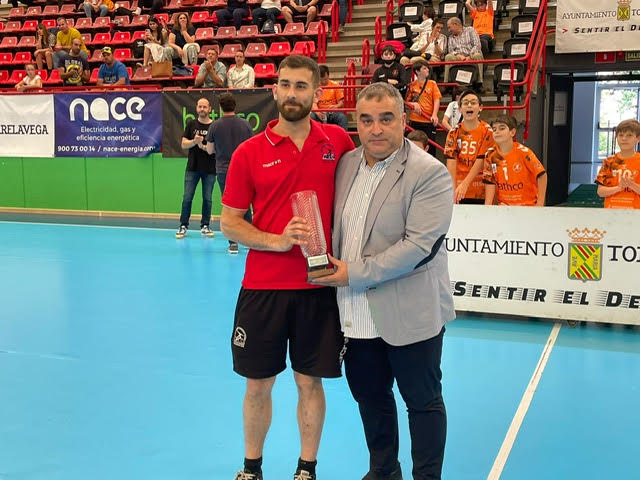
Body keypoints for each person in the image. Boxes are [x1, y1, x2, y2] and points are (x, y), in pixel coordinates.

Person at [219, 55, 354, 480]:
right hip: (264, 288)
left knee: (309, 383)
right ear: (274, 90)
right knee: (258, 384)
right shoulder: (249, 152)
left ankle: (306, 468)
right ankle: (251, 468)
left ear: (317, 91)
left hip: (320, 287)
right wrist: (276, 241)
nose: (291, 93)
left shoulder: (338, 142)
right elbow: (230, 222)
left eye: (301, 86)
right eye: (284, 85)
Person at [312, 81, 455, 480]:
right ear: (356, 122)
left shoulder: (430, 174)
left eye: (386, 119)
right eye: (367, 120)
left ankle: (427, 477)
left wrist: (351, 274)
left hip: (410, 312)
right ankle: (384, 470)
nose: (376, 129)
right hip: (354, 313)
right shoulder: (346, 165)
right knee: (371, 399)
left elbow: (418, 247)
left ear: (404, 122)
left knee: (422, 402)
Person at [206, 92, 254, 253]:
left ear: (220, 107)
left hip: (223, 170)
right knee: (246, 204)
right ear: (235, 106)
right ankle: (249, 239)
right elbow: (251, 148)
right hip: (244, 170)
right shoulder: (245, 124)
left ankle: (233, 243)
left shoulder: (215, 125)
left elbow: (210, 150)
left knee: (230, 205)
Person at [483, 115, 547, 206]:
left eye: (502, 128)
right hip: (504, 206)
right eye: (494, 129)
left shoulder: (524, 153)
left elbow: (542, 176)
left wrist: (540, 203)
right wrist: (488, 206)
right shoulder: (490, 155)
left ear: (512, 132)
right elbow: (489, 181)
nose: (497, 132)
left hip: (527, 206)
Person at [176, 97, 216, 239]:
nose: (202, 109)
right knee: (187, 197)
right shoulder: (191, 124)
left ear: (210, 109)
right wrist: (194, 141)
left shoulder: (214, 126)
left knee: (208, 198)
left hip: (210, 169)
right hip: (192, 168)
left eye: (205, 107)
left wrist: (203, 146)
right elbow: (183, 144)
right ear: (196, 108)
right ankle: (183, 226)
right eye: (200, 106)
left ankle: (205, 225)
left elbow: (216, 149)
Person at [444, 89, 494, 204]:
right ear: (460, 109)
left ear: (480, 107)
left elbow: (481, 160)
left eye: (473, 102)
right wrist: (452, 191)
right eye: (465, 103)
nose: (469, 105)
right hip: (459, 190)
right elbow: (451, 162)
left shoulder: (487, 131)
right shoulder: (454, 132)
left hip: (481, 189)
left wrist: (465, 184)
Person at [595, 119, 640, 209]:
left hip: (636, 214)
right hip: (611, 212)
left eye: (629, 135)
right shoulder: (609, 162)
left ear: (638, 139)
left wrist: (631, 185)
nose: (624, 138)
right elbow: (600, 192)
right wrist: (619, 188)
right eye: (621, 135)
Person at [405, 59, 441, 155]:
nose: (427, 70)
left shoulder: (432, 84)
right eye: (424, 68)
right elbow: (407, 103)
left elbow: (437, 99)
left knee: (431, 147)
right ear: (417, 71)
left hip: (428, 119)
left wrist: (434, 115)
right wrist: (413, 104)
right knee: (414, 146)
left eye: (427, 68)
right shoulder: (412, 86)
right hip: (415, 120)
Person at [443, 17, 484, 89]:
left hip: (471, 54)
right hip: (458, 57)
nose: (449, 30)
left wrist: (469, 56)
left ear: (456, 24)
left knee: (477, 55)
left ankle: (479, 83)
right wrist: (459, 55)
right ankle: (447, 83)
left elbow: (477, 44)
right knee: (448, 57)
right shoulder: (451, 37)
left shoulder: (470, 30)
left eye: (450, 27)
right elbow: (451, 50)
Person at [311, 64, 348, 130]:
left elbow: (341, 102)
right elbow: (313, 103)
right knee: (311, 117)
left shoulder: (335, 85)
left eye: (325, 79)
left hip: (332, 112)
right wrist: (318, 113)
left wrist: (336, 106)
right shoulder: (315, 87)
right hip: (319, 112)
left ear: (328, 75)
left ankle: (343, 139)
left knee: (342, 117)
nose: (323, 82)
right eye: (321, 80)